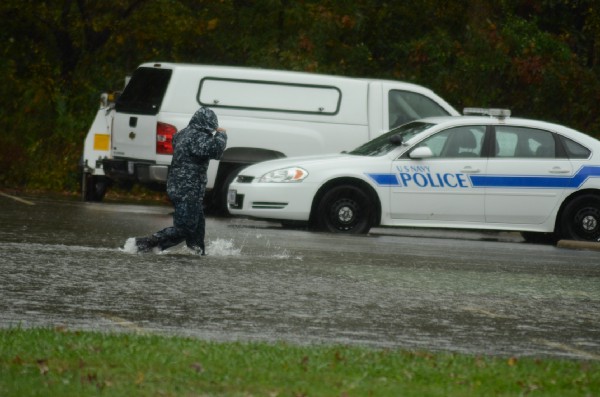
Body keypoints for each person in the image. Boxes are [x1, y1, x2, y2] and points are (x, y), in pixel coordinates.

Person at [133, 107, 227, 255]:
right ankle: (145, 244)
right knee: (185, 228)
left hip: (179, 187)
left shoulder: (182, 134)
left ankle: (196, 253)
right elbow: (215, 151)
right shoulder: (197, 137)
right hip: (188, 189)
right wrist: (221, 134)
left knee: (196, 227)